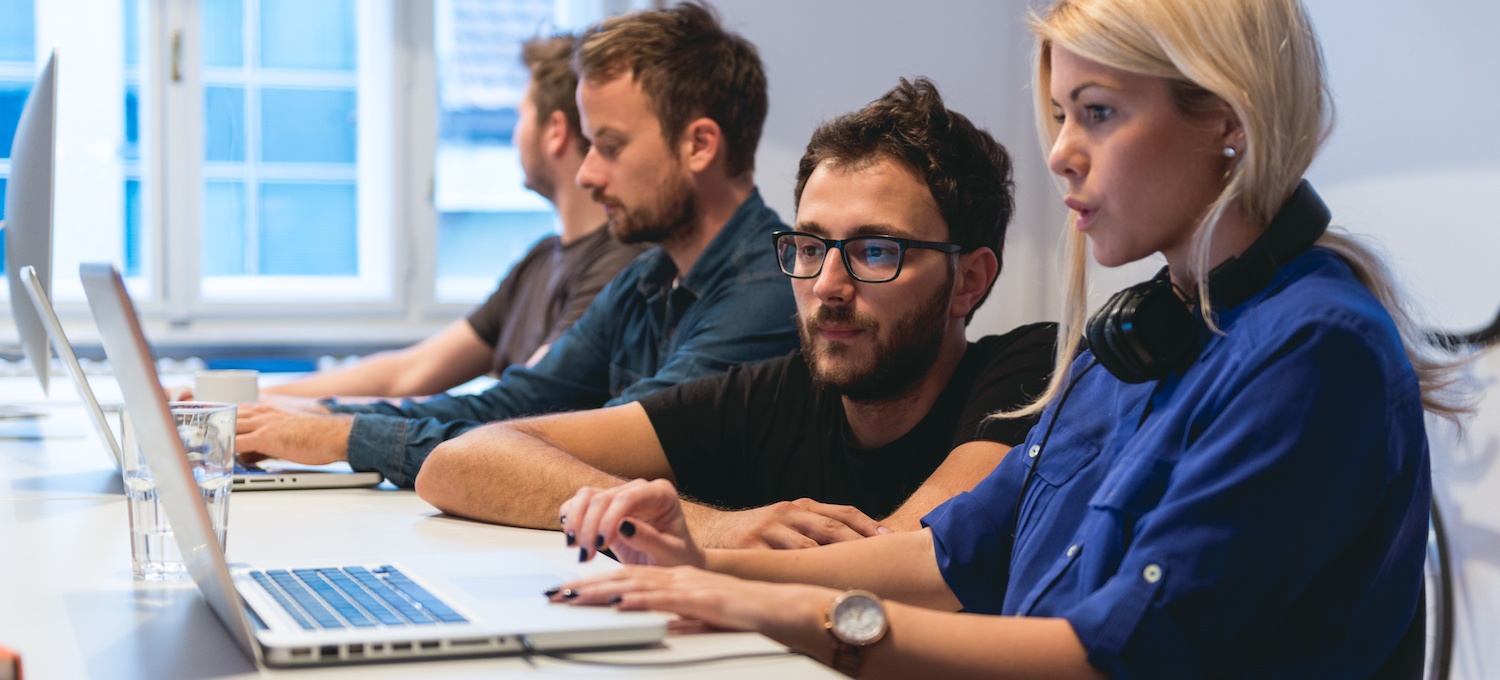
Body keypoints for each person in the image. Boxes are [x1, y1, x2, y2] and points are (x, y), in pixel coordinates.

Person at [546, 0, 1470, 677]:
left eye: (1098, 112)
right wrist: (709, 565)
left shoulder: (1312, 350)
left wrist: (784, 609)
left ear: (1226, 123)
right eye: (1063, 114)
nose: (1062, 149)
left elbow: (1117, 653)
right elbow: (951, 554)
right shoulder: (1146, 334)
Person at [414, 78, 1057, 549]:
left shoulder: (1028, 374)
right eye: (809, 247)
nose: (828, 285)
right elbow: (461, 460)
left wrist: (693, 555)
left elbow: (902, 559)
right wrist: (713, 525)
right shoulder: (776, 397)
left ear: (968, 280)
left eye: (875, 250)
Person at [233, 2, 799, 488]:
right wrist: (319, 420)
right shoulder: (648, 277)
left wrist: (348, 435)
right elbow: (511, 404)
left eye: (610, 145)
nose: (587, 174)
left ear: (699, 144)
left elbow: (589, 446)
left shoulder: (769, 294)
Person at [260, 35, 646, 400]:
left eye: (520, 115)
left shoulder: (618, 263)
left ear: (555, 132)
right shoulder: (540, 260)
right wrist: (254, 402)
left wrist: (313, 423)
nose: (514, 136)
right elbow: (410, 371)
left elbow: (517, 405)